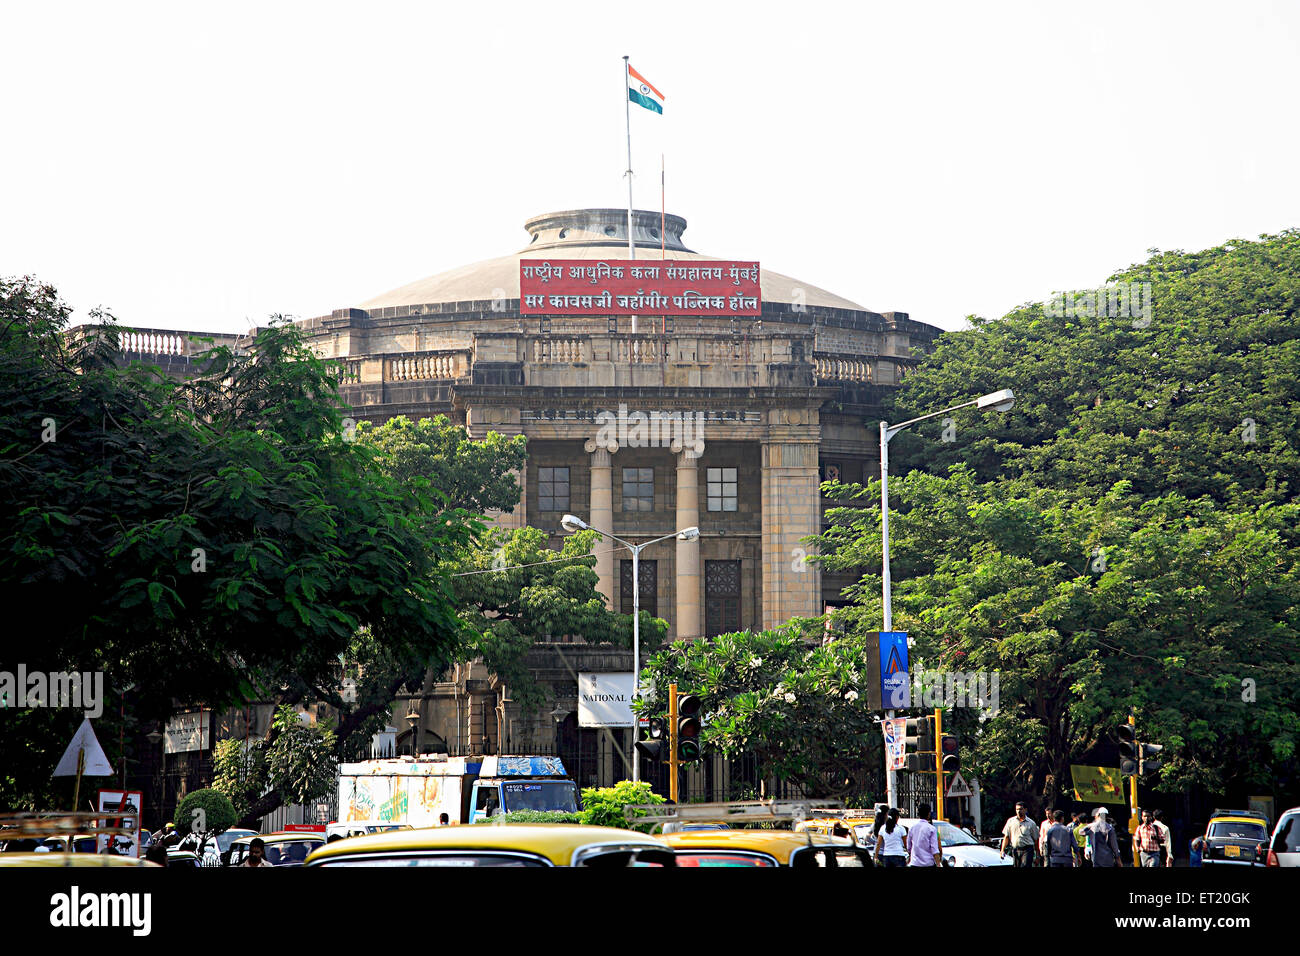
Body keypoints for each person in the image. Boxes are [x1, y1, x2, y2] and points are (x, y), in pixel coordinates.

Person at [1000, 802, 1038, 867]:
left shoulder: (1031, 823)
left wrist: (1037, 855)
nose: (1018, 811)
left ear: (1025, 810)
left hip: (1027, 850)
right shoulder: (1011, 821)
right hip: (1015, 849)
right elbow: (1006, 837)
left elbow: (1036, 839)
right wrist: (1002, 850)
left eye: (1020, 809)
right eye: (1017, 809)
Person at [906, 803, 942, 867]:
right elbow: (934, 849)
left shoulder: (912, 828)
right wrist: (938, 864)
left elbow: (909, 847)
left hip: (915, 863)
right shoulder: (932, 829)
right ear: (929, 814)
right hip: (928, 863)